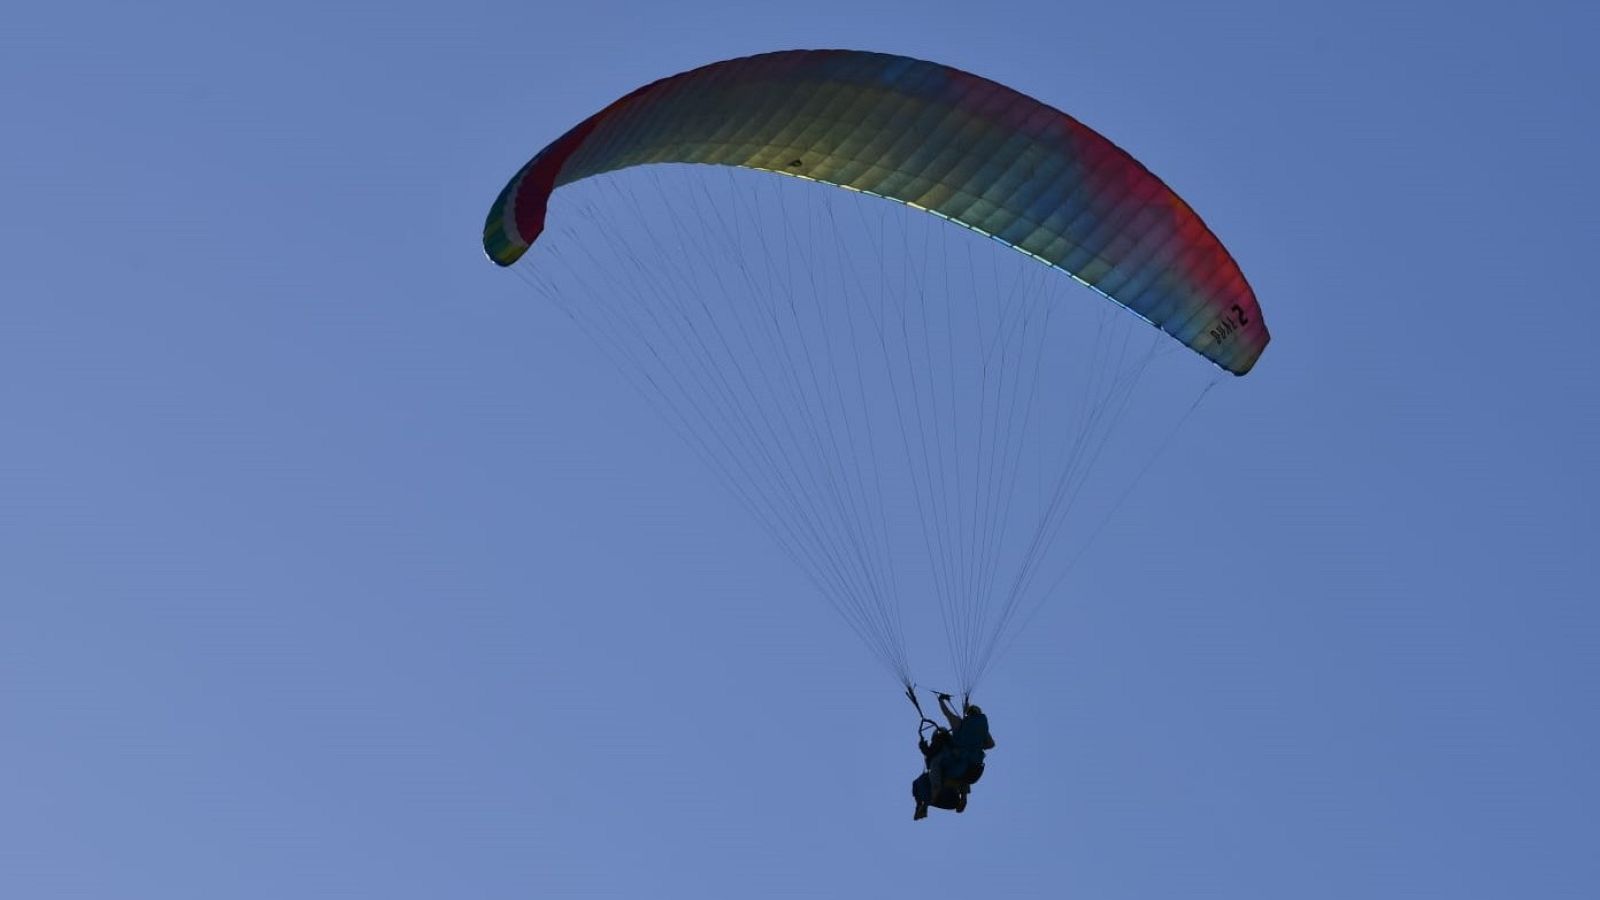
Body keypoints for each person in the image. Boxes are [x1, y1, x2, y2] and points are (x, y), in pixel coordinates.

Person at [912, 694, 995, 820]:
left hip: (961, 766)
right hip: (975, 771)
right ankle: (964, 797)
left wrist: (941, 700)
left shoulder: (959, 725)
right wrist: (976, 744)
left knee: (936, 763)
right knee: (960, 770)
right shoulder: (982, 728)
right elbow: (991, 744)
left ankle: (933, 794)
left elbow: (947, 713)